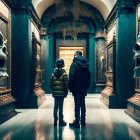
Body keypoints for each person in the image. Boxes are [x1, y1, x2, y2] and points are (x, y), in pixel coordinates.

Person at [69, 50, 91, 128]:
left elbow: (71, 77)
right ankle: (83, 121)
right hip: (83, 88)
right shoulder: (87, 64)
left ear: (78, 55)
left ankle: (77, 122)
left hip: (76, 87)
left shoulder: (74, 64)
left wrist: (70, 87)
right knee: (83, 104)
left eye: (74, 54)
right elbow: (89, 77)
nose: (73, 56)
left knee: (77, 104)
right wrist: (87, 87)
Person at [50, 58, 68, 126]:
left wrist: (54, 90)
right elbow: (66, 84)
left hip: (55, 93)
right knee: (61, 107)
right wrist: (65, 92)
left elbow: (50, 84)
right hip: (62, 93)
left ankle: (55, 120)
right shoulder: (64, 74)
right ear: (63, 65)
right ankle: (61, 121)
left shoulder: (53, 74)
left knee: (55, 106)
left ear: (56, 65)